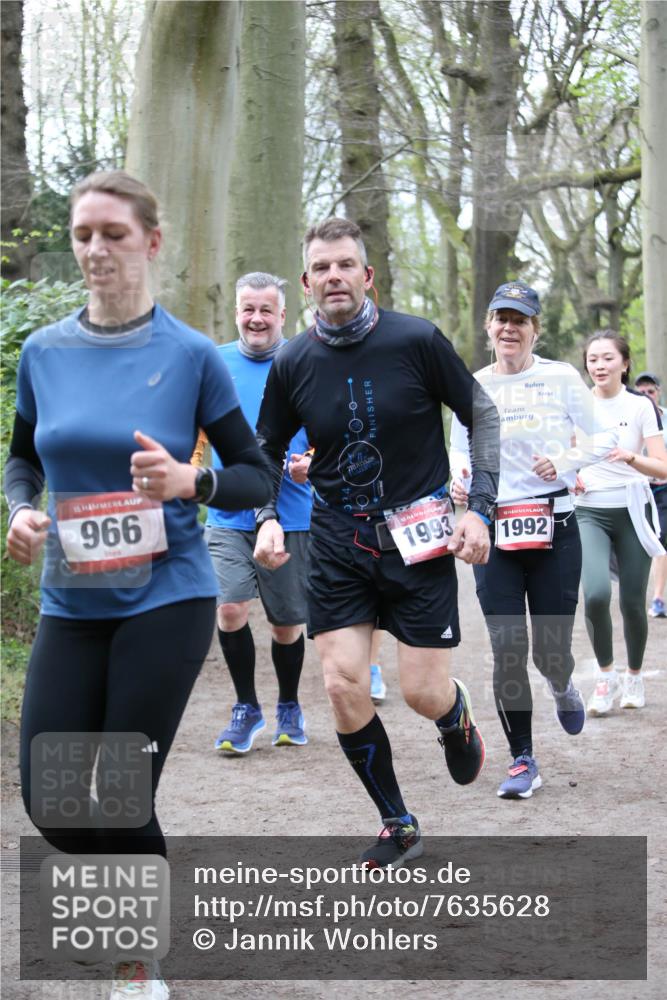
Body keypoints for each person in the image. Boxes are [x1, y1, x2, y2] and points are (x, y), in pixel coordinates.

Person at [4, 170, 271, 1000]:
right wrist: (19, 510)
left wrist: (193, 482)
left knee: (121, 790)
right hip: (71, 599)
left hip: (167, 595)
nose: (96, 249)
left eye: (113, 234)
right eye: (83, 234)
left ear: (151, 242)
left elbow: (254, 473)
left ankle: (135, 961)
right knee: (51, 801)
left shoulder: (189, 355)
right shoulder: (43, 352)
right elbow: (22, 460)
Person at [252, 217, 500, 867]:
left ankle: (452, 714)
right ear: (306, 282)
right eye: (321, 267)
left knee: (420, 692)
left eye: (345, 265)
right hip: (338, 539)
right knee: (341, 683)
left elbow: (480, 413)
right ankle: (398, 822)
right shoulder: (293, 360)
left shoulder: (415, 340)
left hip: (419, 537)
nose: (334, 276)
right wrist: (266, 516)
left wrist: (479, 509)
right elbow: (265, 449)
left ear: (367, 276)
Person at [449, 282, 618, 799]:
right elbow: (459, 449)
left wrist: (564, 462)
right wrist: (459, 478)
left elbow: (605, 437)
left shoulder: (561, 377)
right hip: (493, 528)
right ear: (489, 327)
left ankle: (561, 683)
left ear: (534, 330)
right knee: (506, 647)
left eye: (519, 320)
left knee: (549, 651)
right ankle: (522, 758)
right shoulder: (474, 386)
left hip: (555, 526)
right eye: (501, 319)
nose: (509, 328)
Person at [197, 272, 311, 753]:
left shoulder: (305, 361)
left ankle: (289, 703)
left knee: (285, 624)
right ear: (236, 312)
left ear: (282, 314)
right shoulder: (214, 363)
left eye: (266, 310)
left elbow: (328, 429)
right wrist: (191, 469)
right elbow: (195, 428)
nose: (257, 319)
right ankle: (246, 706)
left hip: (292, 513)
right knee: (229, 609)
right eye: (249, 309)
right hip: (228, 511)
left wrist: (313, 462)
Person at [578, 334, 667, 715]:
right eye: (593, 359)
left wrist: (630, 457)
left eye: (607, 358)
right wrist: (569, 476)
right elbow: (562, 453)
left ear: (625, 363)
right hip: (588, 510)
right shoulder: (576, 403)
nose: (599, 366)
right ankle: (606, 676)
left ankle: (633, 676)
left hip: (632, 508)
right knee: (596, 594)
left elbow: (662, 467)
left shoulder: (641, 406)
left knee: (632, 601)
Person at [288, 448, 388, 703]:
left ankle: (371, 665)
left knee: (374, 591)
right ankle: (347, 667)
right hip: (332, 514)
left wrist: (314, 461)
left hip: (378, 498)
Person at [633, 372, 667, 618]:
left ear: (658, 393)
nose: (646, 396)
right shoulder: (629, 416)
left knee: (660, 540)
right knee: (637, 543)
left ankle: (658, 598)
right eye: (641, 392)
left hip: (663, 489)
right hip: (637, 490)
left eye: (650, 391)